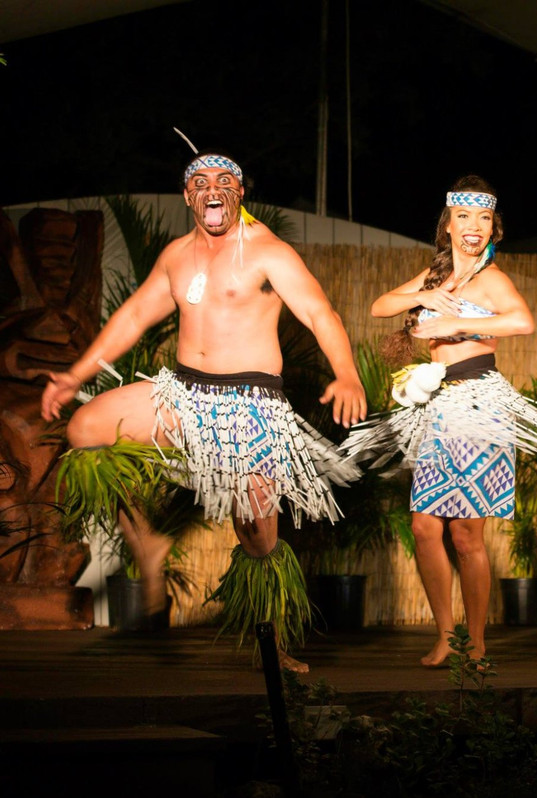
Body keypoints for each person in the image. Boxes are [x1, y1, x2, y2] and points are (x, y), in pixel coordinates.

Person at [41, 151, 366, 672]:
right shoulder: (176, 255)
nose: (211, 189)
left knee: (258, 534)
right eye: (199, 181)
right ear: (189, 196)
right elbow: (133, 317)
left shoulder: (268, 251)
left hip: (251, 405)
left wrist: (346, 372)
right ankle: (145, 544)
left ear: (239, 192)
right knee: (85, 428)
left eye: (223, 181)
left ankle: (273, 644)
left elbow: (317, 311)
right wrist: (75, 375)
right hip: (182, 396)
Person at [345, 176, 537, 667]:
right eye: (464, 217)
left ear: (493, 227)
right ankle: (445, 634)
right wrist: (425, 299)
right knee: (425, 527)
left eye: (483, 219)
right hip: (438, 407)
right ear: (447, 226)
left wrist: (457, 323)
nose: (474, 227)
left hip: (479, 404)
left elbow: (522, 322)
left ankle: (475, 641)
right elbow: (378, 307)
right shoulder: (434, 279)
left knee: (466, 534)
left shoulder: (491, 279)